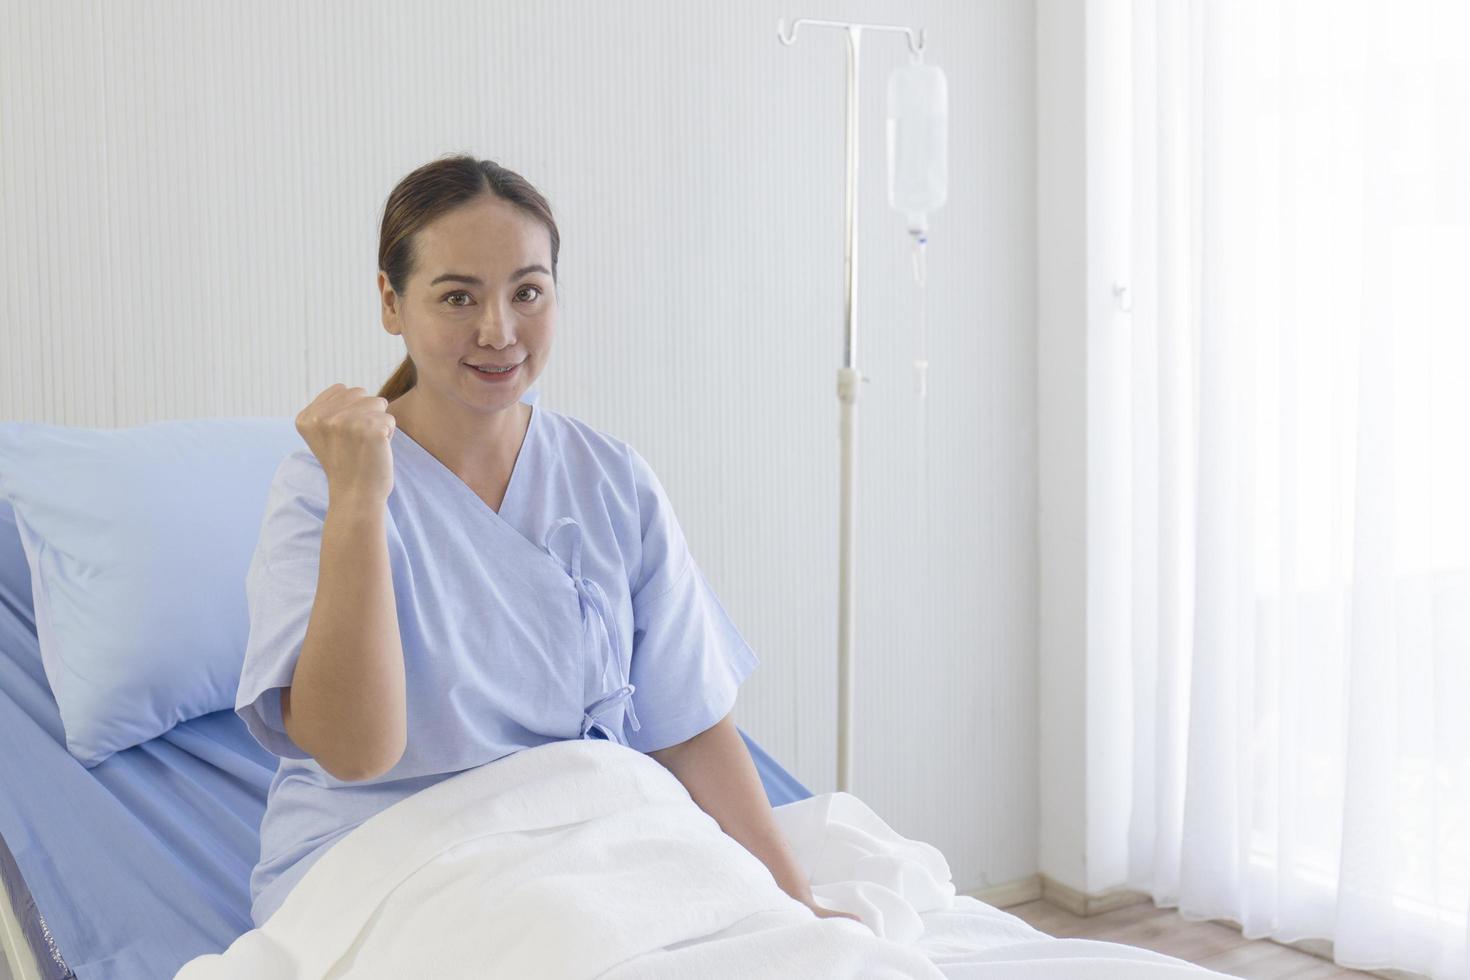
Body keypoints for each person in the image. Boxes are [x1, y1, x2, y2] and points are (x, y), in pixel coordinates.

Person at [234, 154, 858, 929]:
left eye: (527, 292)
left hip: (579, 839)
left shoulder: (611, 478)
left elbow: (688, 726)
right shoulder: (323, 487)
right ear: (391, 303)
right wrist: (361, 497)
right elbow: (356, 753)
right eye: (457, 296)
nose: (498, 331)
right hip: (386, 857)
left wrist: (796, 902)